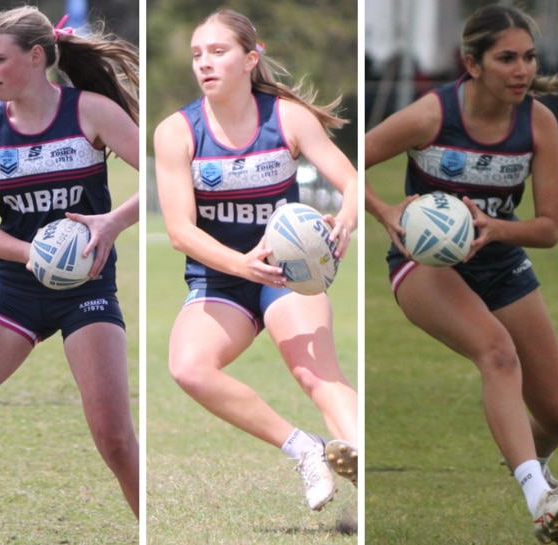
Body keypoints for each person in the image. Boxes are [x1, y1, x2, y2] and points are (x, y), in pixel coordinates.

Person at [365, 4, 558, 543]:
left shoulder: (540, 123)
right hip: (424, 263)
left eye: (528, 58)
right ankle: (539, 498)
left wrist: (494, 229)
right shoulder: (431, 116)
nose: (522, 70)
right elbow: (342, 163)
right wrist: (387, 212)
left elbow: (550, 228)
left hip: (499, 259)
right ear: (472, 63)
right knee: (497, 351)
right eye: (506, 58)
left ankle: (525, 460)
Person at [0, 6, 140, 521]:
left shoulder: (90, 111)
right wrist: (34, 254)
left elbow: (172, 179)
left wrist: (111, 222)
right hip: (15, 293)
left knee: (114, 440)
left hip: (86, 294)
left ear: (37, 56)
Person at [153, 9, 358, 511]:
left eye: (218, 52)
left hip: (289, 276)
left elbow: (351, 182)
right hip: (222, 278)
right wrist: (242, 265)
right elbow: (179, 232)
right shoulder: (176, 132)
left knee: (318, 376)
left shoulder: (287, 118)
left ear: (250, 59)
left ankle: (363, 464)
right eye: (198, 54)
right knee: (189, 368)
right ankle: (304, 449)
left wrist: (346, 220)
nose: (205, 63)